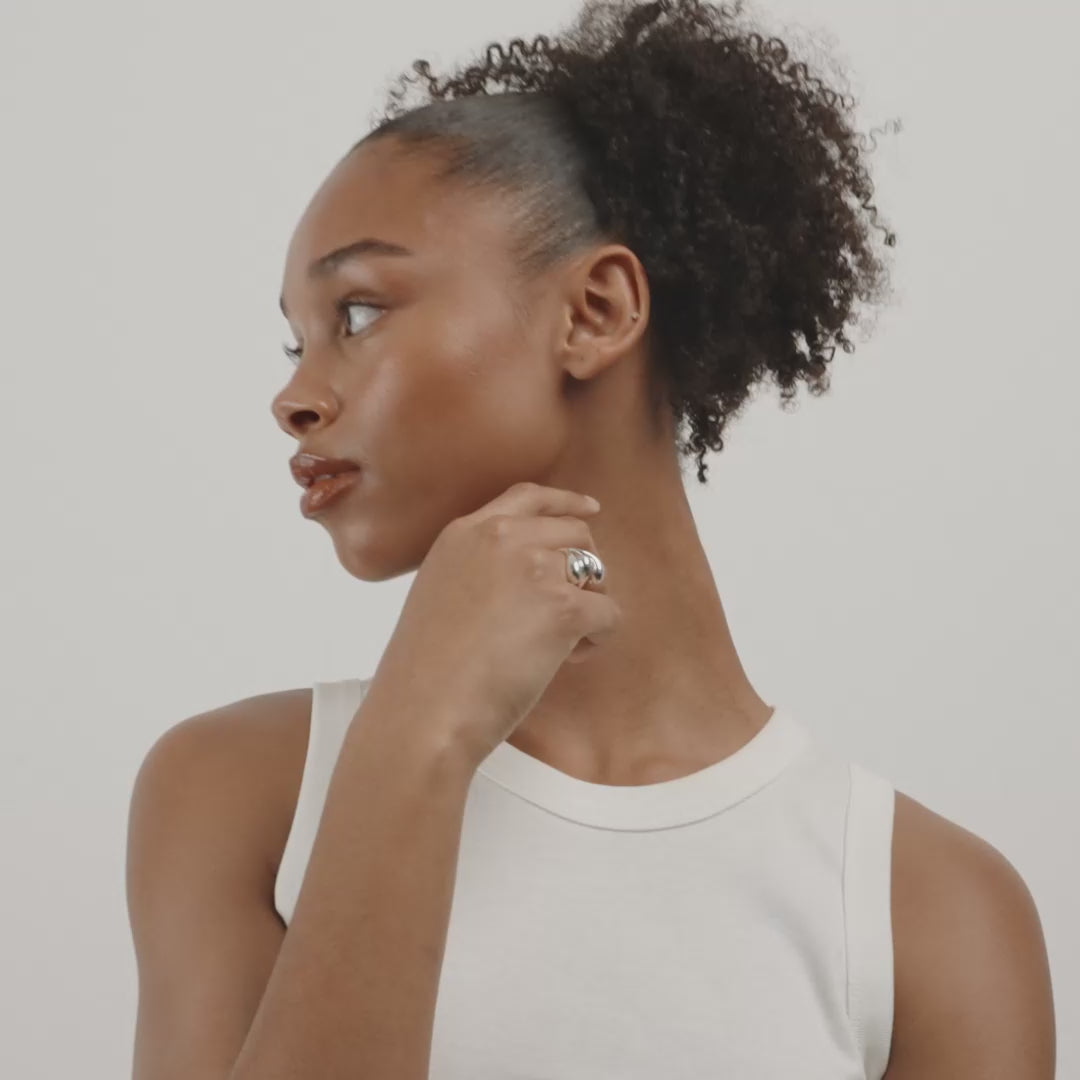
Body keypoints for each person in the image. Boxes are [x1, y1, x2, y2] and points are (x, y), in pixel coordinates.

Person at [126, 1, 1056, 1078]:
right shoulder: (240, 796)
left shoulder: (928, 915)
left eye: (359, 313)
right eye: (295, 343)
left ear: (596, 311)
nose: (293, 398)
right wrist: (415, 734)